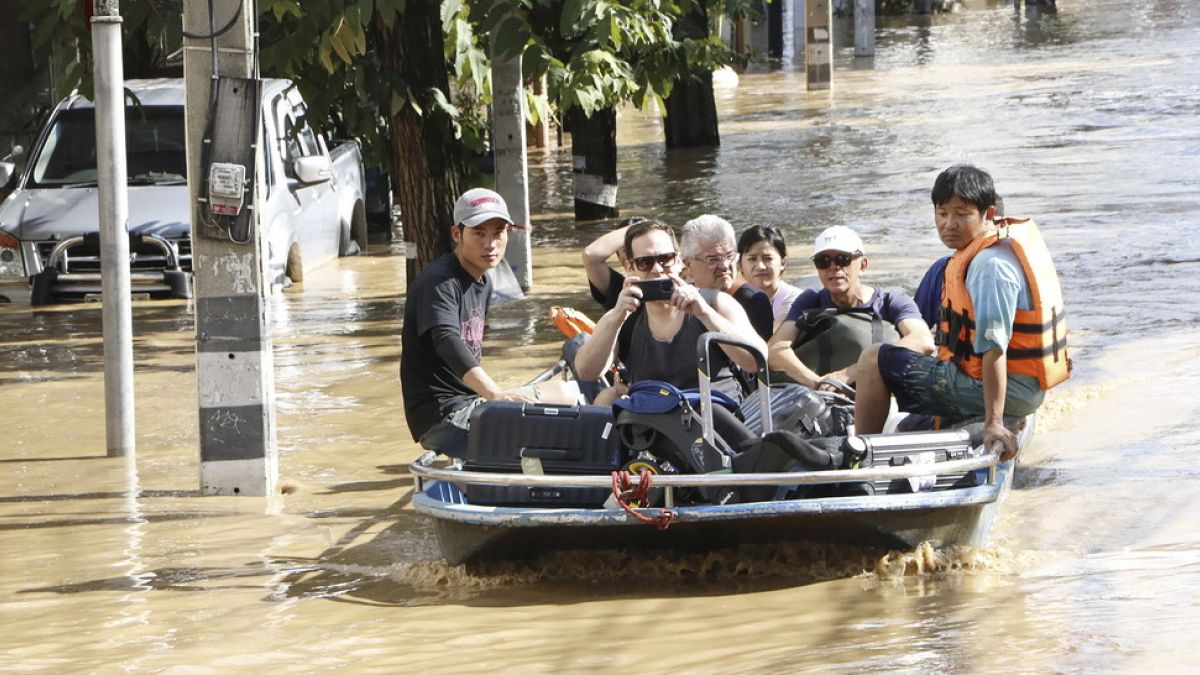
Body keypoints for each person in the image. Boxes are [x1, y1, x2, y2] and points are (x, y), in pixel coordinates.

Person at [852, 165, 1070, 460]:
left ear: (988, 215)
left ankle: (859, 457)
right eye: (942, 214)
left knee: (873, 359)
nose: (949, 224)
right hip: (1017, 385)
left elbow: (995, 348)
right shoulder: (986, 251)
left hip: (1003, 389)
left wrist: (993, 423)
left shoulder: (988, 267)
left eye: (961, 214)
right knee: (908, 425)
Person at [400, 188, 575, 458]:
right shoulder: (440, 281)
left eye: (498, 232)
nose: (490, 243)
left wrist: (496, 397)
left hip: (473, 401)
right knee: (552, 441)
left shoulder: (484, 279)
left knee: (566, 393)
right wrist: (495, 395)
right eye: (479, 233)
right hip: (444, 416)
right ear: (457, 235)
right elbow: (446, 339)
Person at [574, 218, 766, 403]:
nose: (657, 269)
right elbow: (586, 372)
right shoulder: (622, 316)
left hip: (716, 421)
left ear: (680, 262)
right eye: (645, 263)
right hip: (652, 425)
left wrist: (704, 313)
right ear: (630, 267)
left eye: (665, 259)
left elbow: (757, 360)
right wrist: (616, 319)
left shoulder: (716, 303)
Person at [767, 225, 934, 390]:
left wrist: (849, 374)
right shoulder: (810, 301)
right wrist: (819, 383)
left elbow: (923, 341)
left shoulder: (891, 301)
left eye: (842, 259)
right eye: (823, 261)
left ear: (863, 265)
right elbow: (776, 349)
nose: (833, 267)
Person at [680, 215, 775, 341]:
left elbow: (758, 357)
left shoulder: (752, 300)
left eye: (730, 256)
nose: (725, 266)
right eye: (713, 259)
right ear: (688, 264)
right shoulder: (679, 298)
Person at [737, 224, 802, 330]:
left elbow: (775, 339)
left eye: (767, 258)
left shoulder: (796, 300)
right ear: (739, 265)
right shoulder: (733, 301)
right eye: (752, 259)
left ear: (783, 263)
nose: (760, 266)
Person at [582, 215, 645, 311]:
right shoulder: (620, 290)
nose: (633, 254)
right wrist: (641, 227)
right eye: (626, 250)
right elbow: (590, 256)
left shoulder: (673, 282)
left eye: (640, 247)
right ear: (621, 259)